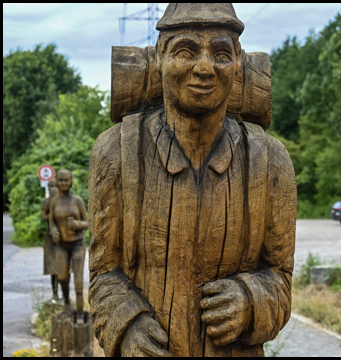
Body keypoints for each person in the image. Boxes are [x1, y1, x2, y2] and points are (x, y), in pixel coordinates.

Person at [88, 3, 296, 357]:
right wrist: (127, 326)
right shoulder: (116, 152)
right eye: (186, 51)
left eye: (220, 53)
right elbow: (103, 274)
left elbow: (280, 276)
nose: (204, 68)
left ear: (239, 63)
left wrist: (250, 300)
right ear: (158, 59)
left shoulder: (270, 160)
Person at [49, 169, 88, 325]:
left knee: (78, 281)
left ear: (71, 181)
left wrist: (78, 224)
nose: (64, 183)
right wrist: (53, 230)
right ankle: (66, 302)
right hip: (62, 246)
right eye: (61, 180)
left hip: (77, 244)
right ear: (56, 182)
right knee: (62, 277)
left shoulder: (77, 201)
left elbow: (88, 222)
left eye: (66, 180)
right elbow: (51, 221)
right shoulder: (54, 202)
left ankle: (79, 313)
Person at [40, 179, 61, 303]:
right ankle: (55, 294)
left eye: (54, 185)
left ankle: (65, 295)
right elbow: (43, 218)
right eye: (50, 186)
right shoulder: (46, 202)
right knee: (53, 268)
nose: (52, 188)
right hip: (50, 238)